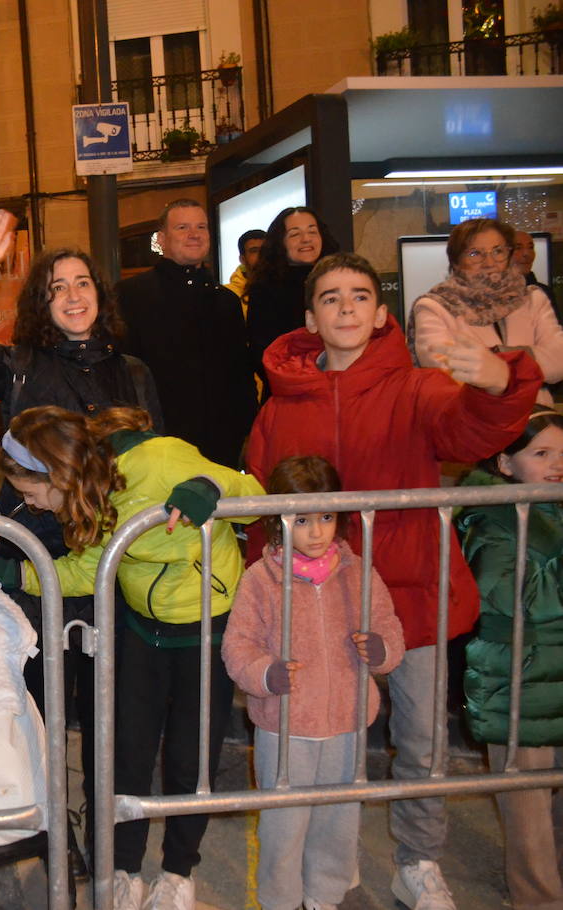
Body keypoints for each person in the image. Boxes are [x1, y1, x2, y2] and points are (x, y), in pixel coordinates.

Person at [245, 251, 543, 910]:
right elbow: (263, 507)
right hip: (314, 607)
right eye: (330, 298)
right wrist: (260, 604)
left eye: (358, 296)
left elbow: (470, 432)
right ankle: (334, 868)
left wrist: (501, 382)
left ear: (381, 314)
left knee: (421, 741)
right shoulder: (279, 408)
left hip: (411, 596)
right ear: (309, 318)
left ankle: (419, 860)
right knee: (328, 746)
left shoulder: (417, 386)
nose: (346, 307)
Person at [0, 404, 263, 910]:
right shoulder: (91, 492)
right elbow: (87, 568)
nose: (32, 506)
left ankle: (177, 872)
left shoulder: (162, 458)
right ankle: (123, 868)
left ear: (57, 472)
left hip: (205, 627)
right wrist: (11, 572)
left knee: (191, 758)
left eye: (31, 492)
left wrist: (211, 491)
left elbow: (254, 496)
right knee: (125, 750)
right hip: (139, 629)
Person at [0, 210, 162, 876]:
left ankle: (109, 853)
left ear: (100, 294)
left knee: (108, 724)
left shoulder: (135, 372)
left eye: (81, 283)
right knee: (38, 713)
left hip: (114, 569)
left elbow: (157, 458)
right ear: (41, 303)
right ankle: (52, 835)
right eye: (56, 286)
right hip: (38, 561)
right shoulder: (21, 365)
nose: (71, 294)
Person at [222, 454, 405, 910]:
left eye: (326, 517)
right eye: (302, 519)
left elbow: (389, 625)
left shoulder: (358, 572)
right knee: (284, 823)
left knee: (338, 816)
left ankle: (326, 894)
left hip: (346, 721)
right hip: (285, 728)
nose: (317, 531)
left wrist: (382, 650)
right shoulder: (260, 580)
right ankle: (281, 899)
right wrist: (266, 672)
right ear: (278, 520)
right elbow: (237, 647)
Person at [457, 407, 563, 910]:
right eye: (541, 454)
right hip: (515, 679)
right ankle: (537, 900)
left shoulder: (555, 506)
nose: (557, 464)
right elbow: (510, 594)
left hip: (553, 675)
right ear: (504, 463)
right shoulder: (491, 514)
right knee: (527, 807)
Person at [116, 198, 256, 468]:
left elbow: (241, 373)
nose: (194, 234)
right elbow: (122, 372)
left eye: (201, 227)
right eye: (182, 227)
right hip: (157, 441)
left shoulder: (225, 300)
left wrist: (248, 430)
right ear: (162, 239)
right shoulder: (130, 295)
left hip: (221, 445)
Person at [411, 217, 563, 404]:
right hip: (474, 423)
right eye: (475, 253)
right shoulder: (435, 306)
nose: (490, 262)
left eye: (498, 251)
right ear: (456, 261)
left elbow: (558, 362)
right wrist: (528, 358)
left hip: (535, 422)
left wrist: (497, 356)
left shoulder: (533, 298)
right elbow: (451, 373)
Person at [245, 207, 340, 390]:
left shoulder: (340, 279)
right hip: (290, 391)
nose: (306, 239)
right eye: (295, 234)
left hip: (340, 389)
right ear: (280, 243)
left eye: (312, 231)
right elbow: (262, 353)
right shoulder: (266, 288)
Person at [512, 227, 558, 315]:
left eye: (530, 247)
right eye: (518, 248)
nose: (527, 254)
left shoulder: (544, 293)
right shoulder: (495, 294)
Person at [224, 227, 267, 311]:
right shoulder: (227, 294)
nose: (262, 255)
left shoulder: (284, 289)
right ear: (242, 259)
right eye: (254, 251)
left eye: (266, 250)